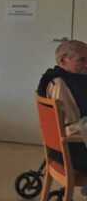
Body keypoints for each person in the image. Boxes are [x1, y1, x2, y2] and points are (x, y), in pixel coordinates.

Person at [37, 40, 87, 172]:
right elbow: (67, 129)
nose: (86, 65)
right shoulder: (59, 85)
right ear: (62, 60)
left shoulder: (71, 79)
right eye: (82, 60)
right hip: (71, 152)